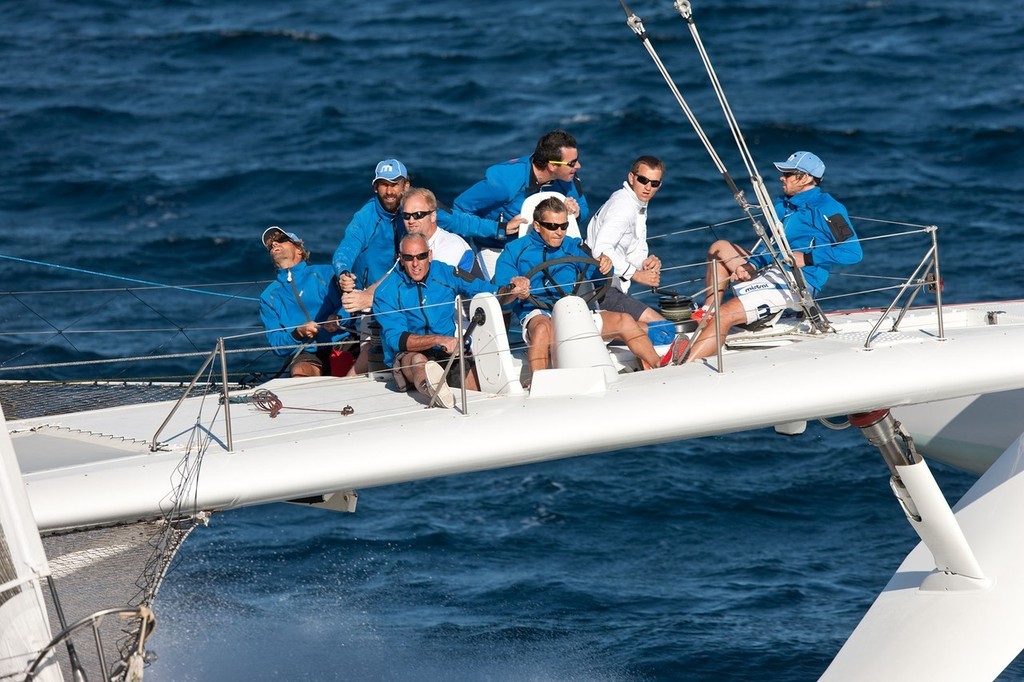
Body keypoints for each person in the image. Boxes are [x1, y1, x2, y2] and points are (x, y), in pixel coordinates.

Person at [682, 151, 862, 364]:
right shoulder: (783, 204)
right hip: (773, 269)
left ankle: (681, 369)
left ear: (804, 178)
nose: (781, 178)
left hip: (799, 282)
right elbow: (772, 246)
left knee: (726, 314)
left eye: (787, 174)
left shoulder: (828, 208)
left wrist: (807, 258)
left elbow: (853, 252)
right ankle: (707, 313)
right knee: (720, 248)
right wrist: (752, 264)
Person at [493, 196, 662, 375]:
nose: (559, 232)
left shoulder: (574, 246)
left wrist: (605, 267)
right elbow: (502, 297)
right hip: (538, 312)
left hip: (574, 310)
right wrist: (514, 287)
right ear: (537, 226)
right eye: (552, 226)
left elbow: (598, 280)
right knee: (542, 329)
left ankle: (660, 366)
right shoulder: (514, 251)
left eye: (563, 226)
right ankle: (539, 386)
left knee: (625, 320)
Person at [373, 233, 529, 408]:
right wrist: (439, 340)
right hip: (409, 356)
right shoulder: (386, 291)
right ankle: (434, 391)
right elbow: (397, 340)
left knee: (481, 393)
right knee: (417, 360)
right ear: (400, 259)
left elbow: (490, 292)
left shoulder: (446, 273)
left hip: (446, 353)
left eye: (421, 256)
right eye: (409, 258)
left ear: (430, 255)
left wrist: (512, 290)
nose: (415, 264)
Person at [454, 130, 589, 279]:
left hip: (544, 248)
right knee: (503, 296)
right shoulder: (505, 184)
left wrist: (576, 213)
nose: (578, 166)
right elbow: (459, 211)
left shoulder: (567, 177)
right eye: (571, 163)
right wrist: (500, 229)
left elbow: (583, 208)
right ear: (552, 166)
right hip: (497, 247)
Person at [585, 155, 675, 345]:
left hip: (612, 287)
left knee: (654, 328)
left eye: (654, 183)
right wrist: (636, 275)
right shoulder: (624, 206)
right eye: (643, 180)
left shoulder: (636, 204)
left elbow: (632, 250)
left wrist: (644, 263)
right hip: (600, 289)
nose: (648, 187)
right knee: (663, 329)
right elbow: (601, 250)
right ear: (632, 178)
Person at [259, 226, 353, 377]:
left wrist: (338, 318)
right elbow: (276, 344)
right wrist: (298, 333)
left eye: (281, 240)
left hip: (343, 342)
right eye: (271, 245)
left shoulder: (325, 273)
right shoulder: (268, 297)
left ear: (299, 249)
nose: (274, 244)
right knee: (299, 371)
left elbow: (352, 302)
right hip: (306, 353)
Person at [400, 187, 478, 275]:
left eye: (418, 215)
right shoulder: (407, 243)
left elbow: (433, 286)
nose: (411, 221)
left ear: (433, 216)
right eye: (406, 215)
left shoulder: (450, 246)